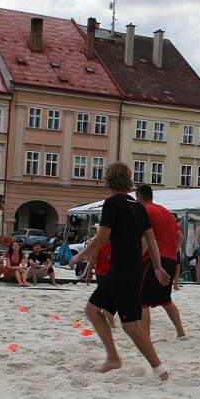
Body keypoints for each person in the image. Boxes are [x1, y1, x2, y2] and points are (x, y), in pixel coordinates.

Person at [69, 162, 170, 380]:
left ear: (109, 179)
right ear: (128, 180)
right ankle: (113, 357)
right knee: (93, 310)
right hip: (125, 270)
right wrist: (158, 267)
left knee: (131, 325)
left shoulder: (113, 203)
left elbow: (102, 237)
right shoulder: (138, 207)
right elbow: (151, 240)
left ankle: (159, 369)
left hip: (123, 272)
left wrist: (80, 256)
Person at [136, 185, 186, 339]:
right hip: (171, 259)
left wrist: (137, 259)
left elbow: (145, 238)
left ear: (139, 197)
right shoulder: (166, 212)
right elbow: (180, 236)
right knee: (165, 300)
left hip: (154, 259)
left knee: (142, 300)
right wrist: (173, 251)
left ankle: (145, 337)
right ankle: (181, 333)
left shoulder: (145, 211)